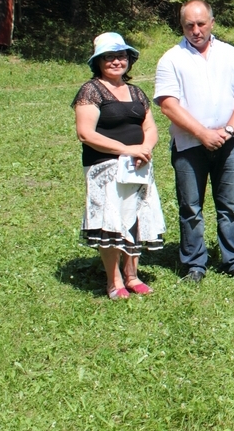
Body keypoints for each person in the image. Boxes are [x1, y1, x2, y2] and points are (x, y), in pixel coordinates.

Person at [155, 0, 234, 283]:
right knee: (190, 207)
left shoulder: (230, 54)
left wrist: (229, 129)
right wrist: (202, 133)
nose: (196, 30)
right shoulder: (171, 59)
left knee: (230, 206)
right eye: (190, 25)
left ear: (212, 23)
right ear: (182, 26)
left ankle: (233, 260)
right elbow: (168, 105)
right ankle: (195, 264)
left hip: (228, 142)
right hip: (189, 146)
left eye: (201, 24)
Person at [74, 32, 165, 299]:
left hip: (138, 166)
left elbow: (150, 127)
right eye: (109, 57)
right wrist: (127, 150)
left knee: (135, 217)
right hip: (105, 167)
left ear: (129, 59)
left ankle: (132, 275)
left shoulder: (136, 92)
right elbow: (86, 134)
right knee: (110, 221)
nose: (116, 61)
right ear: (98, 62)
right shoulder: (91, 91)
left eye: (121, 56)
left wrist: (145, 148)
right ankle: (114, 282)